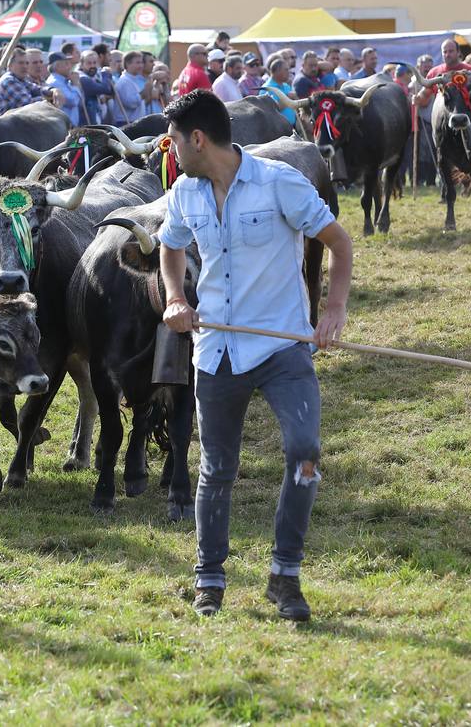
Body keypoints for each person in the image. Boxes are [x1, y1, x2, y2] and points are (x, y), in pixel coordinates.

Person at [158, 89, 353, 621]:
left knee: (305, 451)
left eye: (175, 140)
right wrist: (176, 297)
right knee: (217, 467)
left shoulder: (279, 183)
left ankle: (285, 576)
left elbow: (339, 241)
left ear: (197, 138)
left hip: (283, 344)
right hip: (216, 350)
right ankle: (210, 580)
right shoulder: (184, 193)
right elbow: (169, 246)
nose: (171, 150)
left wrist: (333, 309)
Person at [0, 50, 47, 114]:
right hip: (12, 123)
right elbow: (27, 104)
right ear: (10, 65)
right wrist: (48, 99)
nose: (25, 66)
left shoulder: (21, 80)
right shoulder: (8, 81)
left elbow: (39, 90)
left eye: (27, 63)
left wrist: (53, 90)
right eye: (21, 63)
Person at [111, 50, 153, 126]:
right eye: (137, 63)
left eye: (141, 62)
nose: (141, 66)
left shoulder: (132, 80)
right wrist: (144, 92)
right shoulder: (124, 81)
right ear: (128, 64)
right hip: (126, 123)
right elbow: (131, 103)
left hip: (133, 121)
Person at [77, 50, 116, 126]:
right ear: (81, 64)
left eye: (94, 63)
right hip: (86, 123)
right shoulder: (82, 78)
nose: (92, 66)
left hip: (98, 119)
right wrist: (105, 74)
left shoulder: (96, 76)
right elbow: (105, 89)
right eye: (89, 63)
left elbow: (112, 91)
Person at [45, 52, 84, 126]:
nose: (70, 66)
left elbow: (81, 101)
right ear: (57, 67)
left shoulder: (65, 80)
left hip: (69, 125)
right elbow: (72, 101)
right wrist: (75, 84)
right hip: (64, 126)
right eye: (66, 64)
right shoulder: (55, 82)